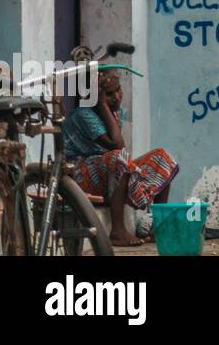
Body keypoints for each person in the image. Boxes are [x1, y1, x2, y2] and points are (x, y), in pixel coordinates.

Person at [62, 72, 179, 247]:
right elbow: (117, 145)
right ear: (95, 96)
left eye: (118, 90)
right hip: (81, 177)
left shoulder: (117, 113)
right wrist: (102, 105)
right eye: (109, 94)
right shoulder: (83, 115)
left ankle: (157, 228)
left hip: (106, 171)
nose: (117, 97)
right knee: (118, 158)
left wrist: (107, 108)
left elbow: (118, 149)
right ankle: (117, 231)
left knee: (162, 158)